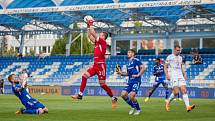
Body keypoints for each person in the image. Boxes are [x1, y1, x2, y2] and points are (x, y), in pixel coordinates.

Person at [71, 16, 118, 108]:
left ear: (104, 37)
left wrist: (91, 23)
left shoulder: (103, 42)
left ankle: (113, 98)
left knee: (102, 84)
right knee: (84, 77)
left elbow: (93, 32)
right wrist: (88, 25)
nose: (99, 35)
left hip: (101, 66)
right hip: (95, 65)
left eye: (100, 35)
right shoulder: (97, 43)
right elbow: (89, 35)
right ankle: (80, 95)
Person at [164, 45, 195, 112]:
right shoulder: (170, 57)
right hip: (173, 75)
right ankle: (168, 101)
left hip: (180, 75)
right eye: (177, 50)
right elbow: (165, 66)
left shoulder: (180, 58)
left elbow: (180, 67)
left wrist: (184, 74)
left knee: (184, 90)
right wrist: (167, 75)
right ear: (174, 50)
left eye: (179, 50)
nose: (179, 51)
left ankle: (188, 107)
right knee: (176, 92)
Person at [116, 49, 145, 115]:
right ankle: (132, 107)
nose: (128, 53)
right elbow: (128, 74)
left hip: (136, 81)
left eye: (129, 52)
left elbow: (143, 68)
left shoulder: (136, 60)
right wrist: (121, 73)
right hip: (130, 81)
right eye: (127, 52)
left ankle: (138, 109)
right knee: (123, 95)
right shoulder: (128, 63)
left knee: (132, 96)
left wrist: (138, 75)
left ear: (133, 54)